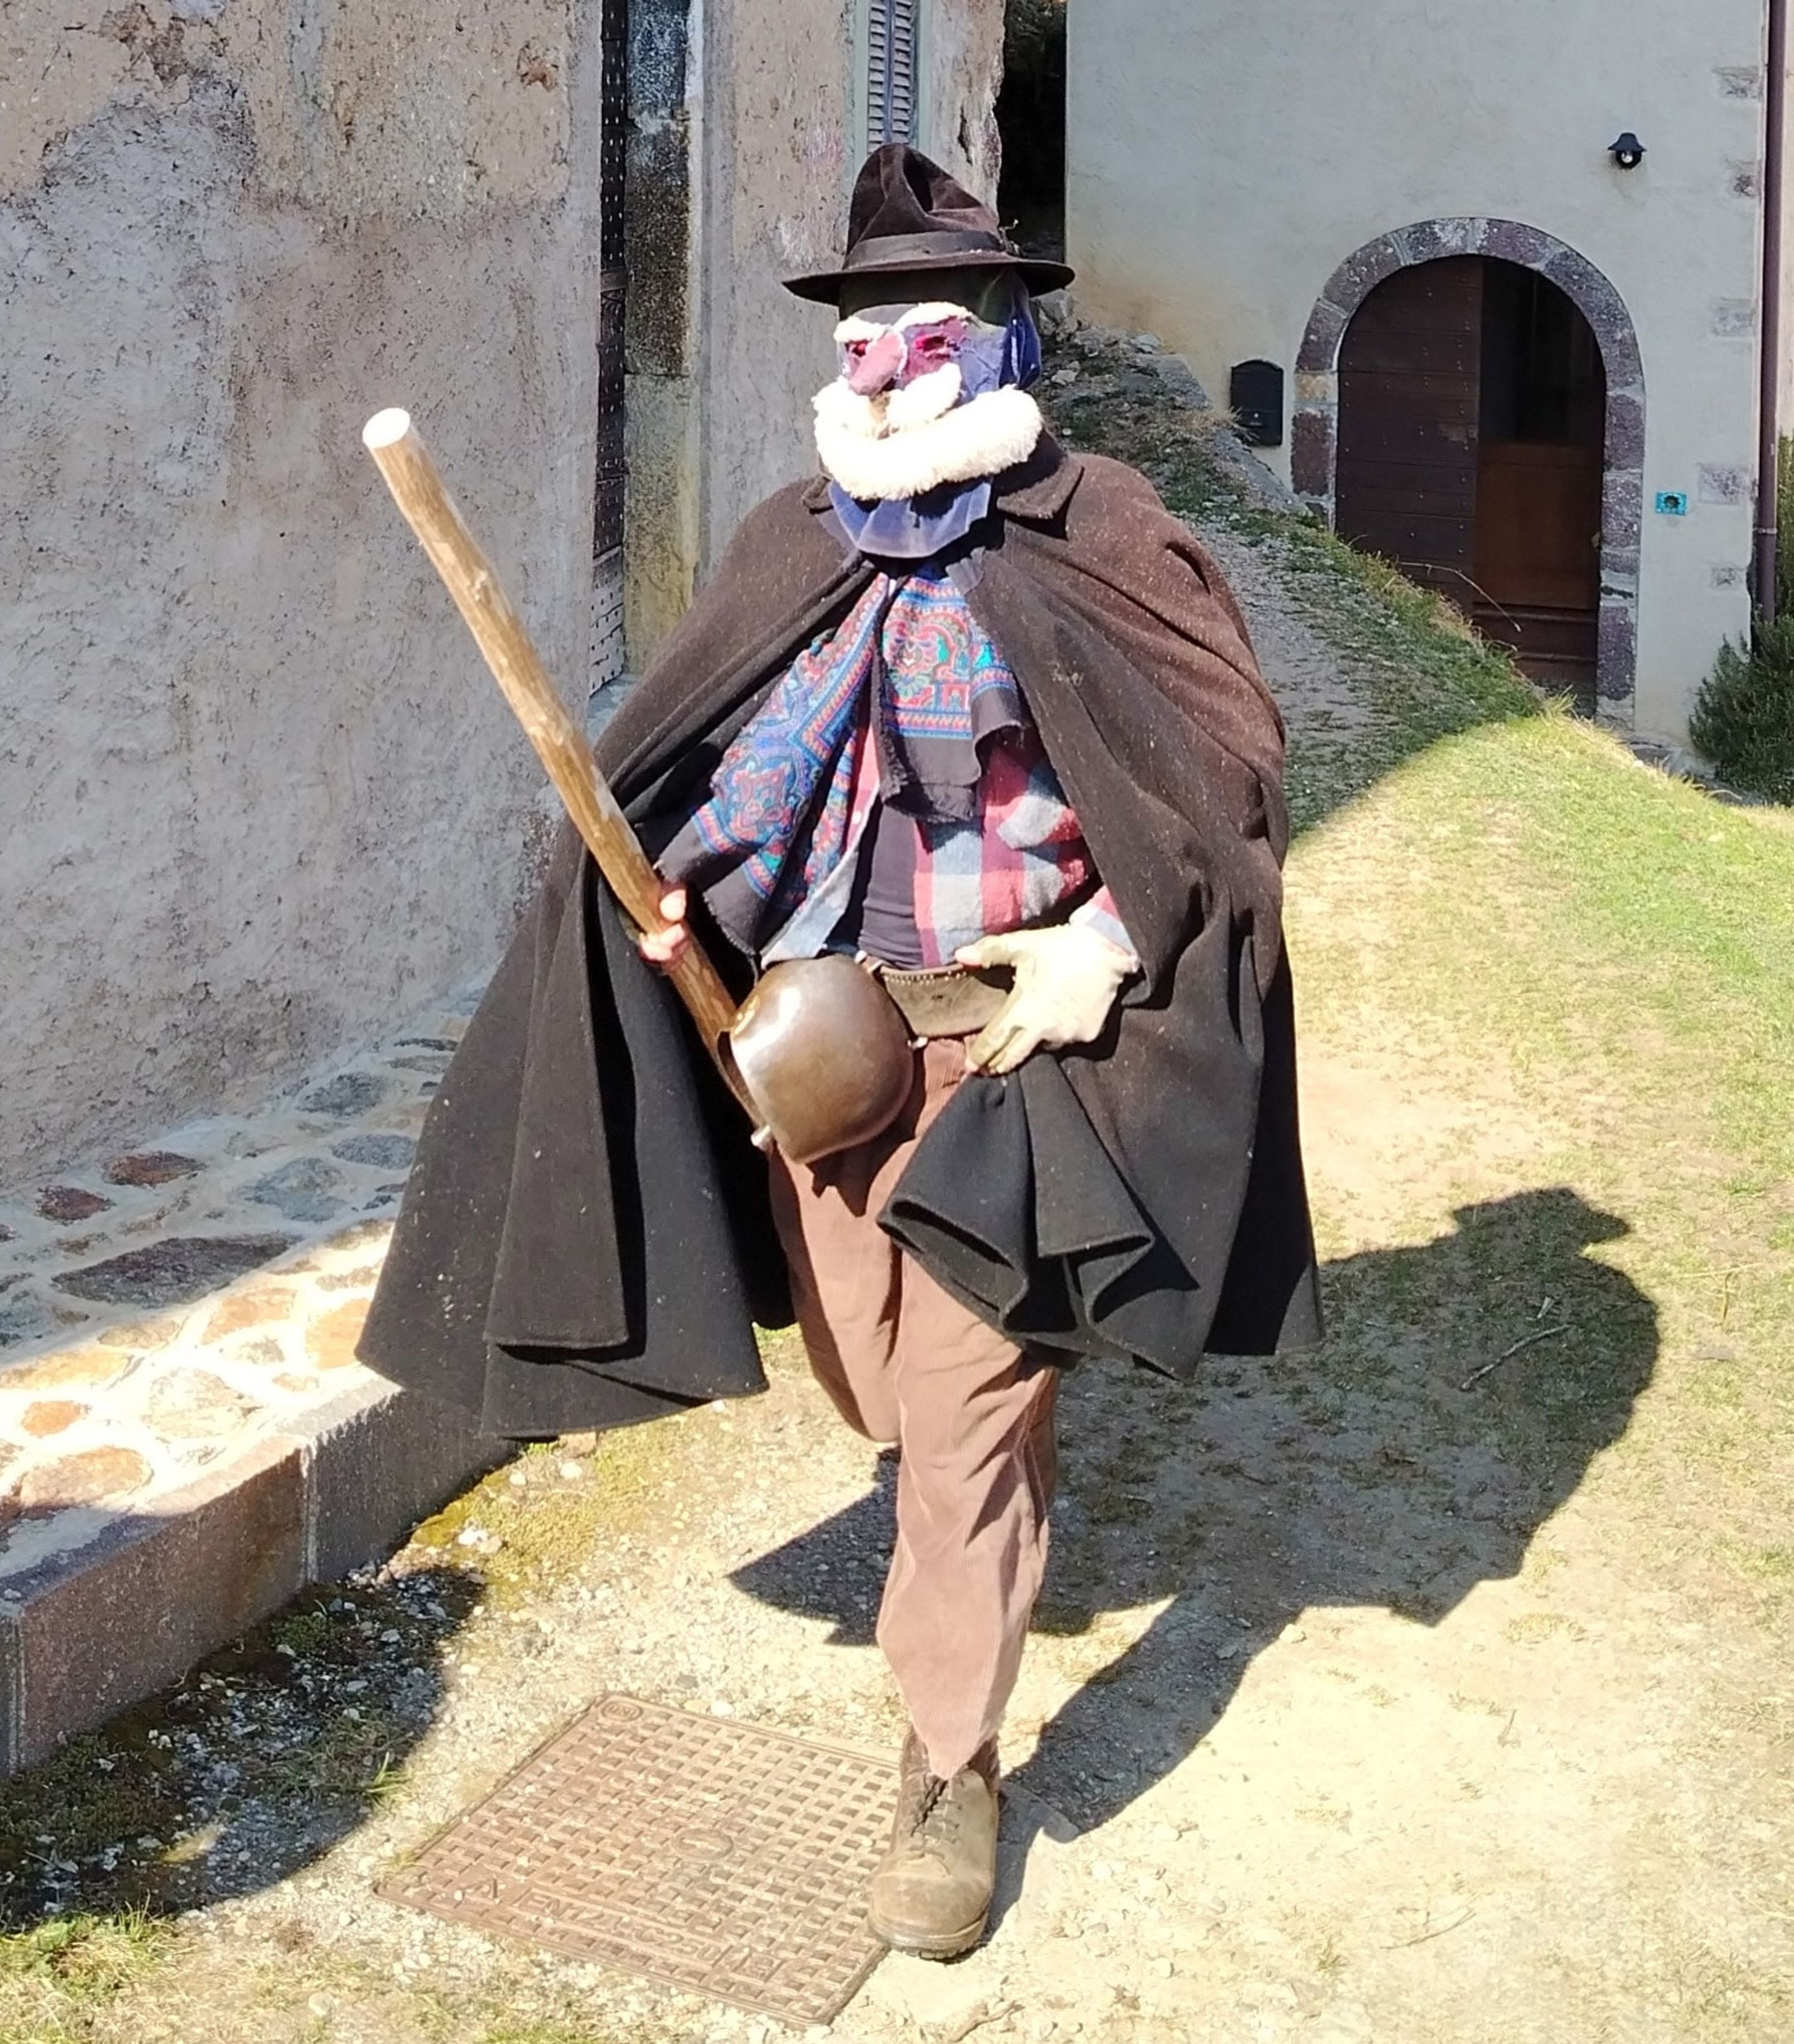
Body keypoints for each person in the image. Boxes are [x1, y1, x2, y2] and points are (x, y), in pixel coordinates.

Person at [362, 145, 1321, 1960]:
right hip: (832, 1044)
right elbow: (739, 763)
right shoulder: (799, 535)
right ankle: (975, 1464)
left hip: (1023, 1052)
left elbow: (1224, 774)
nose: (885, 365)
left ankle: (948, 1764)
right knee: (874, 1385)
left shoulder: (1102, 530)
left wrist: (1106, 943)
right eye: (862, 334)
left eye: (924, 331)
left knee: (960, 1414)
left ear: (1002, 341)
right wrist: (678, 907)